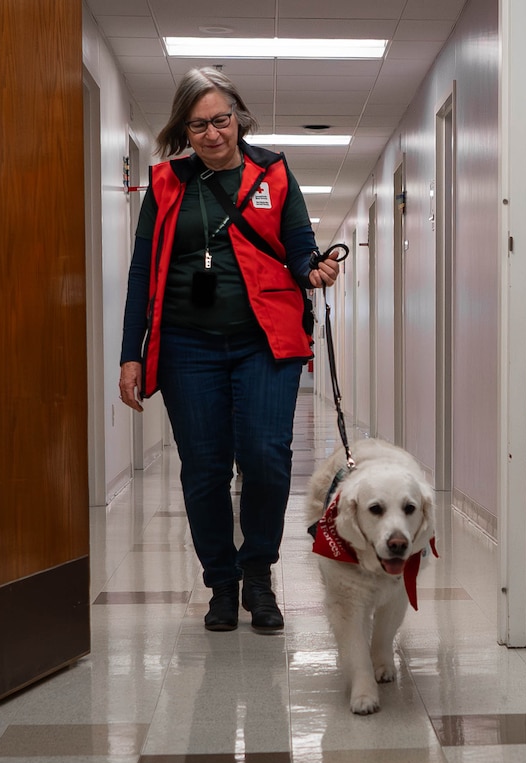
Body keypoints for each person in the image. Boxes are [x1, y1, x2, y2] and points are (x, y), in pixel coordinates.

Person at [118, 67, 340, 634]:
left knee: (267, 458)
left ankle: (259, 575)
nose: (213, 133)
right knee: (205, 468)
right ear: (183, 130)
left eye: (221, 120)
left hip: (263, 340)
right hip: (187, 344)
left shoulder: (273, 172)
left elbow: (298, 248)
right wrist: (131, 353)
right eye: (198, 125)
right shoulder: (166, 182)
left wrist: (313, 270)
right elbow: (142, 271)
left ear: (239, 117)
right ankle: (221, 582)